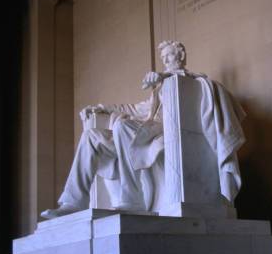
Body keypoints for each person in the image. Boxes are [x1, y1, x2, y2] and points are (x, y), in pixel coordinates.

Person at [41, 41, 245, 219]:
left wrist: (164, 77)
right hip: (140, 135)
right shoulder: (160, 87)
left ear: (181, 55)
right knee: (91, 136)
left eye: (170, 55)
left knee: (122, 125)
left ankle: (132, 199)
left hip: (165, 130)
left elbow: (189, 80)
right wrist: (102, 108)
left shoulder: (192, 82)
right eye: (163, 57)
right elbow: (134, 109)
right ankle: (73, 202)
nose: (166, 60)